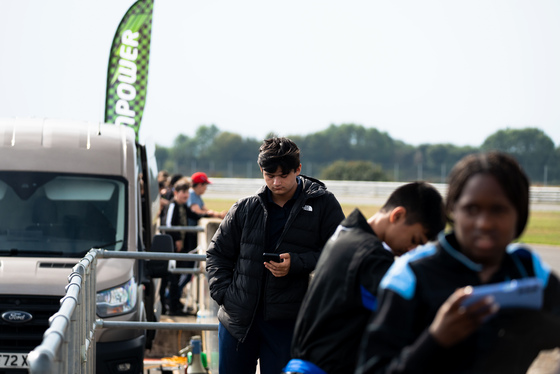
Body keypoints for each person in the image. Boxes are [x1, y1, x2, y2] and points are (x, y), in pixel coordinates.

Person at [355, 151, 560, 374]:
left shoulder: (529, 268)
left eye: (498, 210)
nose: (484, 223)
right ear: (452, 209)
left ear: (519, 215)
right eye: (471, 209)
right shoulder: (409, 275)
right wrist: (435, 339)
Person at [205, 137, 345, 374]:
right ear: (261, 170)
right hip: (237, 321)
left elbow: (341, 253)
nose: (276, 182)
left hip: (288, 322)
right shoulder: (244, 207)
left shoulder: (324, 204)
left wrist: (298, 263)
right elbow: (217, 254)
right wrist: (225, 296)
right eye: (269, 175)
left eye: (283, 175)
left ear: (298, 169)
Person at [283, 182, 446, 374]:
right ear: (398, 215)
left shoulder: (346, 233)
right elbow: (408, 316)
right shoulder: (371, 257)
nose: (412, 251)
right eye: (415, 241)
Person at [160, 177, 206, 316]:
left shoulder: (183, 206)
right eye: (182, 192)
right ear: (176, 193)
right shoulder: (173, 205)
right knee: (170, 277)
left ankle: (174, 305)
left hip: (177, 248)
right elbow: (168, 225)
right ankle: (169, 307)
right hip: (170, 247)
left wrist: (211, 213)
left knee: (176, 275)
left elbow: (194, 215)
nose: (185, 195)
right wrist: (178, 239)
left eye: (187, 192)